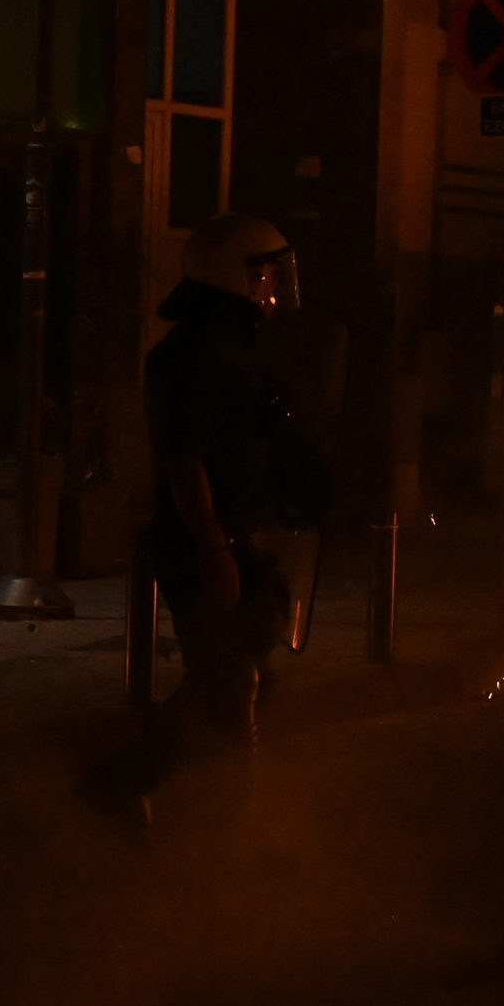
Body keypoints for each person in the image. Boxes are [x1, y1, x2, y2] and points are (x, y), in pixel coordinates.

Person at [80, 213, 325, 838]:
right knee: (228, 678)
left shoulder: (230, 348)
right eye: (264, 277)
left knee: (245, 674)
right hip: (199, 542)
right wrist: (213, 545)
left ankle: (196, 803)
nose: (272, 290)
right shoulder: (200, 354)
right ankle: (188, 809)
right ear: (234, 278)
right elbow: (185, 456)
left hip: (228, 537)